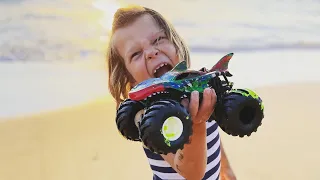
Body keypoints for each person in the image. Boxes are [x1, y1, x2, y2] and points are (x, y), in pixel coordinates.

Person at [106, 5, 237, 180]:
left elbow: (211, 132)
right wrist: (197, 123)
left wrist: (225, 169)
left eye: (158, 39)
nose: (151, 52)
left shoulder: (197, 88)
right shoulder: (146, 116)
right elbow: (192, 173)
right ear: (130, 79)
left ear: (175, 43)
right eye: (136, 54)